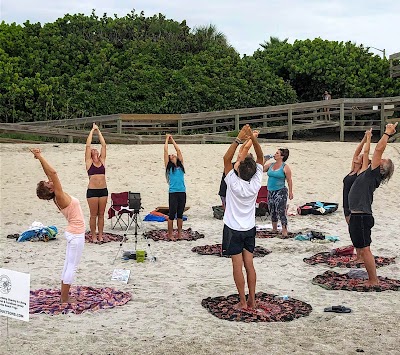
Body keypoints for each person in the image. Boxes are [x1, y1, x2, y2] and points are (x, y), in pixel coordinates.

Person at [30, 148, 85, 303]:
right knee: (71, 267)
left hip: (73, 233)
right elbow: (53, 173)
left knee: (68, 264)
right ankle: (64, 299)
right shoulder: (59, 196)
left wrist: (39, 159)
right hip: (76, 234)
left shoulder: (57, 194)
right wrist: (40, 156)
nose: (49, 181)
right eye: (48, 183)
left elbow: (50, 174)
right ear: (51, 189)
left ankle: (64, 296)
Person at [348, 122, 397, 286]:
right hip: (357, 215)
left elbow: (378, 149)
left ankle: (373, 280)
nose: (379, 158)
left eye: (382, 160)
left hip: (362, 215)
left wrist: (387, 133)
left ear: (382, 167)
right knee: (361, 248)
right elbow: (371, 152)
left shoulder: (374, 173)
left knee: (366, 249)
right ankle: (369, 274)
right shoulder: (367, 172)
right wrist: (367, 138)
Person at [222, 124, 263, 310]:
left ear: (238, 169)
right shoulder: (255, 182)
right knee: (250, 265)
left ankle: (243, 301)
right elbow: (261, 158)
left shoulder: (232, 182)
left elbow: (226, 158)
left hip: (233, 228)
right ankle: (253, 300)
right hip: (249, 228)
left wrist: (239, 138)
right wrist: (253, 139)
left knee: (237, 267)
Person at [218, 131, 259, 209]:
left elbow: (245, 148)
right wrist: (250, 138)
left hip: (228, 191)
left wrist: (253, 136)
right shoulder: (241, 166)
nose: (240, 154)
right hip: (225, 191)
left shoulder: (237, 166)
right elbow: (243, 148)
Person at [343, 129, 372, 224]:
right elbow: (357, 151)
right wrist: (364, 138)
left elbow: (366, 152)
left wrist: (369, 139)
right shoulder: (352, 169)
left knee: (355, 229)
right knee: (352, 230)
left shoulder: (361, 172)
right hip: (346, 204)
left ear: (363, 162)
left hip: (353, 206)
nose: (357, 156)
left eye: (360, 157)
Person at [263, 148, 293, 237]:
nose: (275, 154)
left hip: (280, 191)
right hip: (270, 190)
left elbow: (289, 180)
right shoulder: (271, 165)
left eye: (277, 153)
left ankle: (284, 229)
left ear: (282, 156)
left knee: (281, 210)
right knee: (272, 209)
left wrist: (291, 192)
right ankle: (274, 228)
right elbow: (260, 169)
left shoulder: (285, 167)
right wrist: (264, 160)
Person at [85, 123, 107, 243]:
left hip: (103, 190)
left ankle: (100, 235)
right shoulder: (89, 162)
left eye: (96, 149)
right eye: (93, 150)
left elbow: (104, 145)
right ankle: (93, 235)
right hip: (92, 191)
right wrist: (92, 130)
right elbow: (88, 145)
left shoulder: (102, 161)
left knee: (101, 214)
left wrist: (98, 131)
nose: (95, 149)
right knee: (93, 215)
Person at [164, 134, 186, 240]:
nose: (172, 155)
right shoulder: (169, 168)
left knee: (180, 214)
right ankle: (170, 234)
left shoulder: (180, 165)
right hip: (173, 192)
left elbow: (178, 150)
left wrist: (172, 139)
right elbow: (165, 151)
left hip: (182, 192)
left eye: (173, 155)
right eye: (171, 156)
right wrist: (166, 140)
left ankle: (179, 234)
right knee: (172, 214)